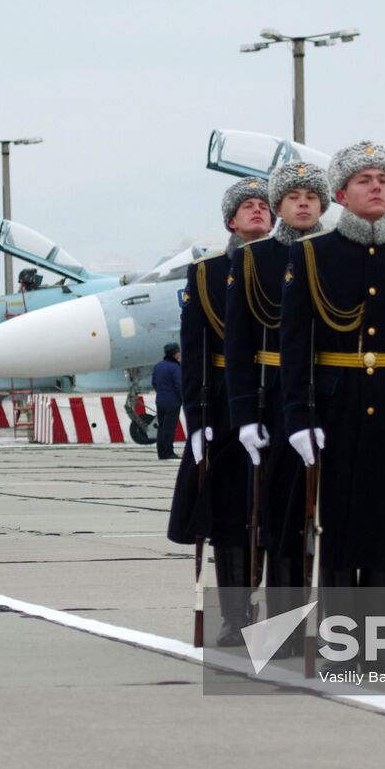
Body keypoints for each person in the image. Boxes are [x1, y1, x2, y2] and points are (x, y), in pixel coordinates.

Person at [280, 141, 385, 673]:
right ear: (341, 194)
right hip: (335, 408)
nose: (378, 187)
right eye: (365, 180)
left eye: (384, 179)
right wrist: (299, 417)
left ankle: (377, 645)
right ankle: (340, 644)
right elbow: (295, 344)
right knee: (340, 526)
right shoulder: (312, 255)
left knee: (382, 526)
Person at [224, 160, 330, 634]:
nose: (304, 201)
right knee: (283, 518)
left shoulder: (343, 253)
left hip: (339, 401)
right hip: (276, 404)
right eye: (293, 195)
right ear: (279, 206)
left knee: (341, 522)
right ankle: (283, 628)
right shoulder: (257, 260)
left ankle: (343, 630)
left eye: (313, 194)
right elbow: (240, 345)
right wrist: (246, 414)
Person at [167, 176, 272, 645]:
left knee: (279, 515)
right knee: (231, 517)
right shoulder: (207, 275)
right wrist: (197, 422)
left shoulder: (298, 265)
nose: (257, 211)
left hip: (281, 400)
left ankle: (279, 619)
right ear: (231, 220)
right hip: (227, 408)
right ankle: (235, 617)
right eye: (247, 206)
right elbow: (195, 354)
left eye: (264, 206)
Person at [151, 343, 183, 460]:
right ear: (175, 353)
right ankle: (169, 452)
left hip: (160, 400)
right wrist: (183, 399)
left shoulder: (158, 366)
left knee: (161, 427)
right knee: (169, 428)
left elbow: (154, 382)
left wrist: (161, 392)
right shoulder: (175, 367)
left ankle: (161, 452)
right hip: (173, 402)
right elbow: (179, 385)